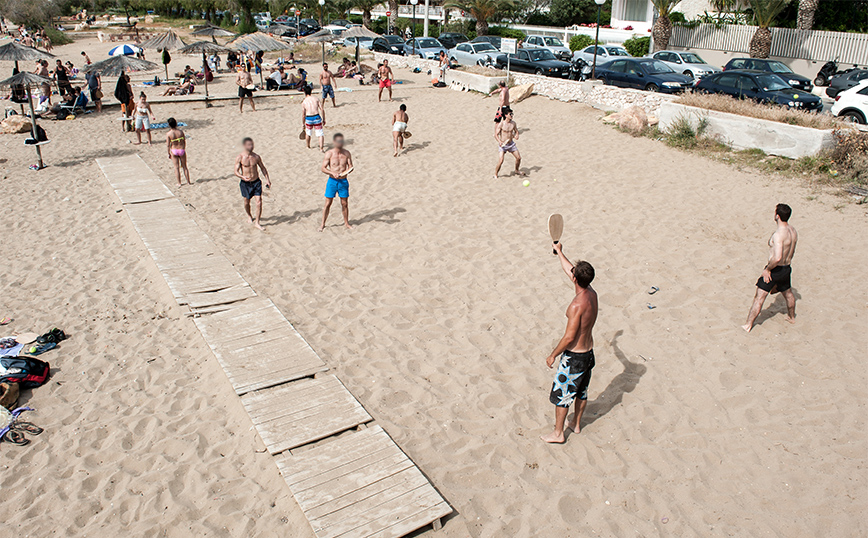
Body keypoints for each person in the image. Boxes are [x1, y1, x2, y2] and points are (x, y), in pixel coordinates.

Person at [541, 242, 598, 444]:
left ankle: (558, 434)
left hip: (575, 357)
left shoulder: (576, 306)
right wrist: (560, 252)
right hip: (589, 353)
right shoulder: (592, 293)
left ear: (575, 278)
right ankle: (576, 424)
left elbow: (568, 337)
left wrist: (553, 354)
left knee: (563, 395)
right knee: (581, 391)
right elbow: (570, 271)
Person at [742, 204, 798, 332]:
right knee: (788, 293)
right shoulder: (793, 231)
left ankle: (748, 325)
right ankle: (791, 317)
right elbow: (792, 250)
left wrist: (767, 269)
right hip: (787, 268)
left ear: (777, 216)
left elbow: (777, 257)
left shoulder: (778, 235)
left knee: (759, 298)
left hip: (775, 269)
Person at [233, 137, 271, 230]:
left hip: (256, 181)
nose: (251, 146)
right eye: (249, 145)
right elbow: (235, 171)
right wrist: (242, 176)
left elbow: (263, 168)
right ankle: (249, 215)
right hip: (245, 183)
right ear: (244, 146)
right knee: (246, 202)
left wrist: (267, 179)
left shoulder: (256, 157)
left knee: (259, 202)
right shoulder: (240, 157)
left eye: (252, 144)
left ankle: (257, 222)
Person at [319, 133, 353, 232]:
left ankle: (346, 223)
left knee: (344, 203)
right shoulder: (329, 153)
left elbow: (350, 166)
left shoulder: (347, 153)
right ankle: (322, 224)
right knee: (328, 203)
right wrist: (332, 172)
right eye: (338, 141)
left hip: (343, 181)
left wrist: (348, 171)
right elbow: (323, 168)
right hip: (332, 181)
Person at [494, 107, 524, 178]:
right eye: (510, 114)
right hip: (503, 145)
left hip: (511, 144)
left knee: (518, 158)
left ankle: (516, 170)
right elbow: (496, 135)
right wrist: (500, 141)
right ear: (506, 115)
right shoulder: (501, 124)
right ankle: (495, 174)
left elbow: (516, 131)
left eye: (512, 114)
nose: (512, 115)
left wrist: (516, 135)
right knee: (501, 160)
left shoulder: (513, 123)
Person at [165, 117, 191, 187]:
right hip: (181, 149)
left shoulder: (169, 134)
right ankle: (188, 181)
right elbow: (184, 141)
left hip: (174, 150)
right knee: (185, 167)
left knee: (176, 168)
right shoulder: (181, 132)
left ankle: (179, 183)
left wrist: (168, 153)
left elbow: (168, 145)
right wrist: (183, 148)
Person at [302, 85, 326, 152]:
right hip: (316, 117)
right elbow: (322, 109)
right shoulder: (316, 99)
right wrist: (324, 119)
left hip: (308, 118)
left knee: (308, 133)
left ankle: (308, 146)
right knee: (320, 134)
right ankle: (321, 148)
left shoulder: (304, 101)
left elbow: (303, 115)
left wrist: (303, 123)